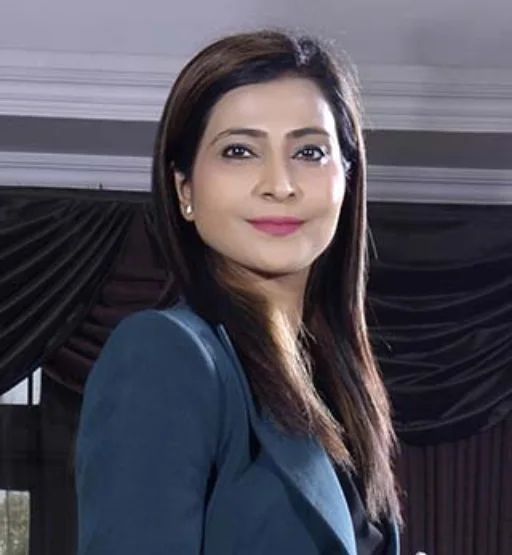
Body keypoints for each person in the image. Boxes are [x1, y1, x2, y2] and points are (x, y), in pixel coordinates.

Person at [75, 27, 403, 554]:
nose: (280, 184)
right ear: (185, 189)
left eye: (310, 152)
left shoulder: (339, 382)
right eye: (239, 151)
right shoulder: (166, 354)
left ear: (347, 179)